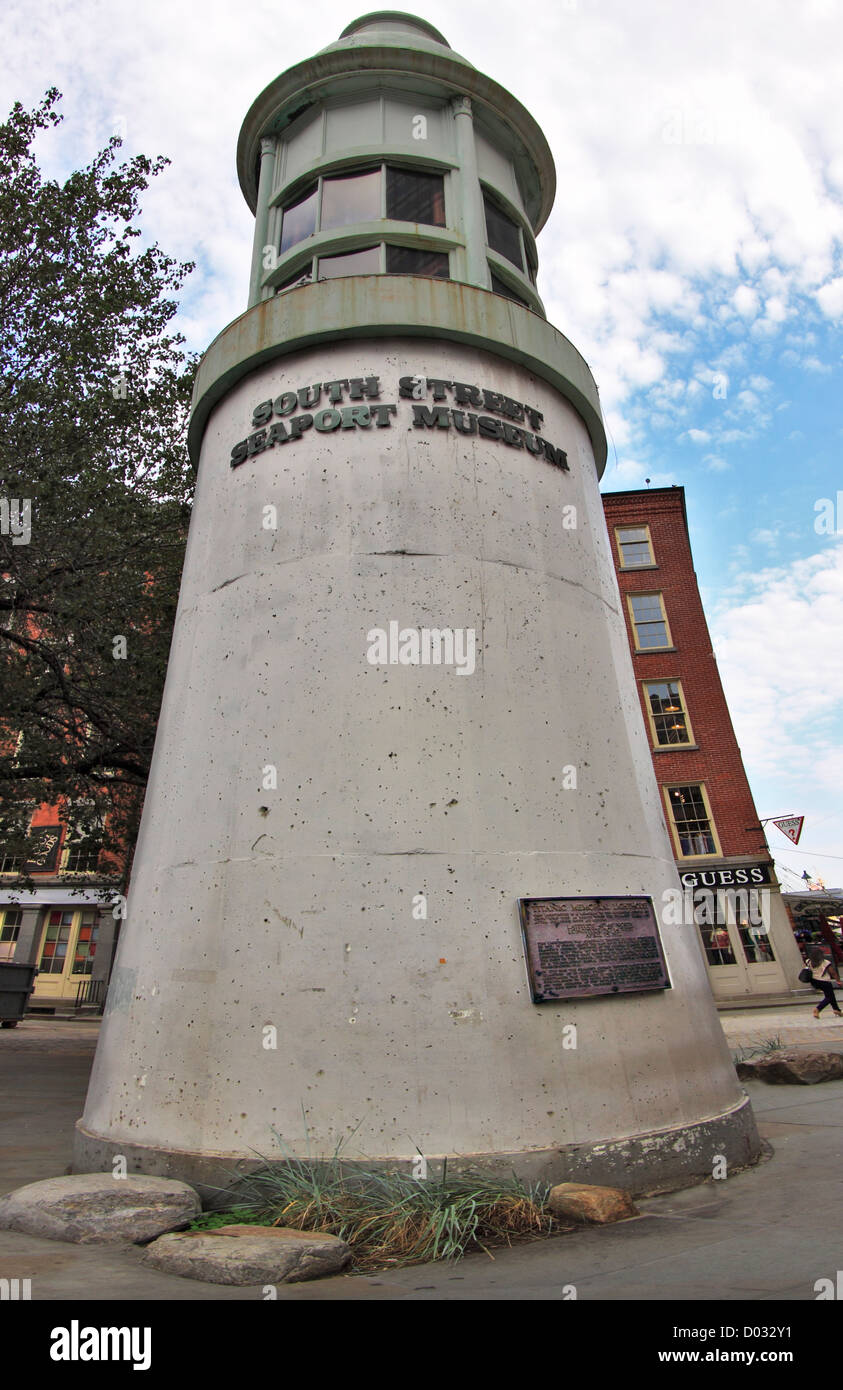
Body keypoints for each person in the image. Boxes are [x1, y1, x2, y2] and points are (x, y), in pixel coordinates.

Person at [806, 947, 843, 1019]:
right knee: (829, 997)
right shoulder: (825, 962)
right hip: (824, 981)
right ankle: (817, 1009)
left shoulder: (808, 961)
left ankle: (837, 1010)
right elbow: (833, 972)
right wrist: (838, 981)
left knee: (831, 995)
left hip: (814, 981)